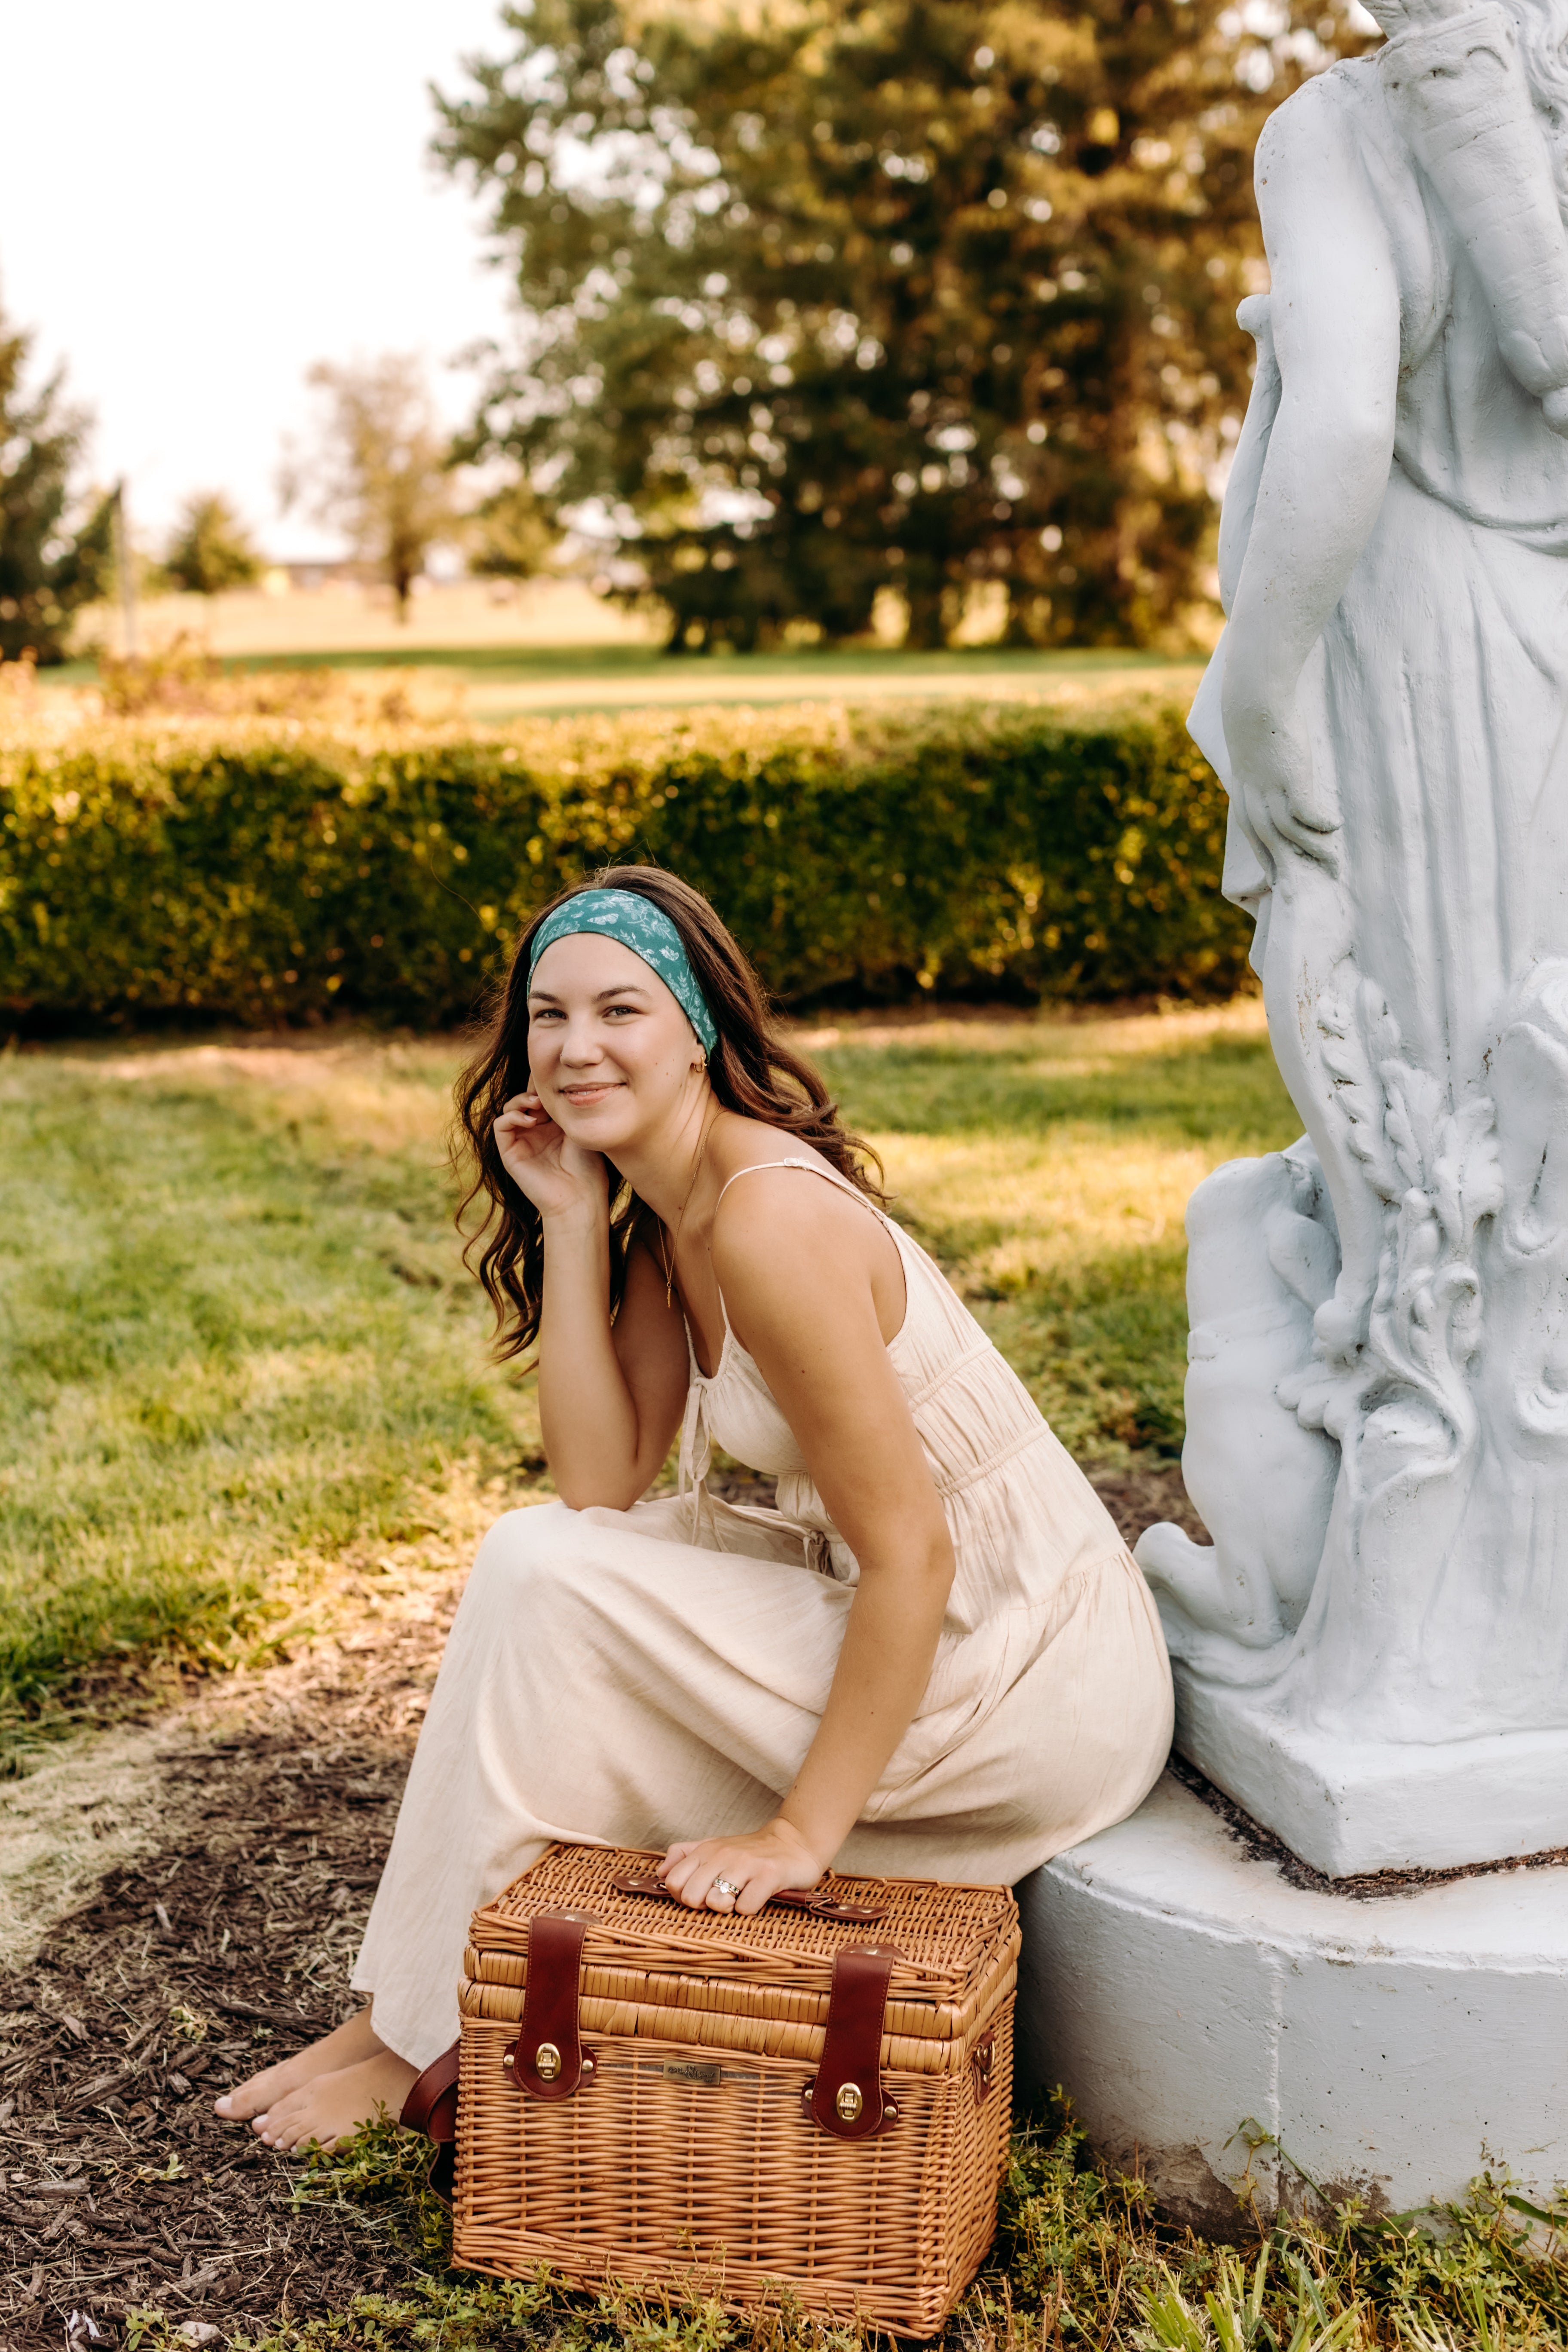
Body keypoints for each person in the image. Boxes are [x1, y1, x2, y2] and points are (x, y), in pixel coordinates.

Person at [216, 867, 1173, 2152]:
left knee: (540, 1571)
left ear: (701, 1028)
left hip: (1022, 1667)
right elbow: (600, 1483)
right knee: (552, 1563)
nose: (575, 1047)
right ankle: (411, 2013)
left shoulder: (769, 1217)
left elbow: (916, 1554)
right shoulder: (673, 1219)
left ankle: (417, 2034)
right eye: (548, 1017)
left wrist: (800, 1835)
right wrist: (569, 1218)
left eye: (622, 1009)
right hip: (899, 1610)